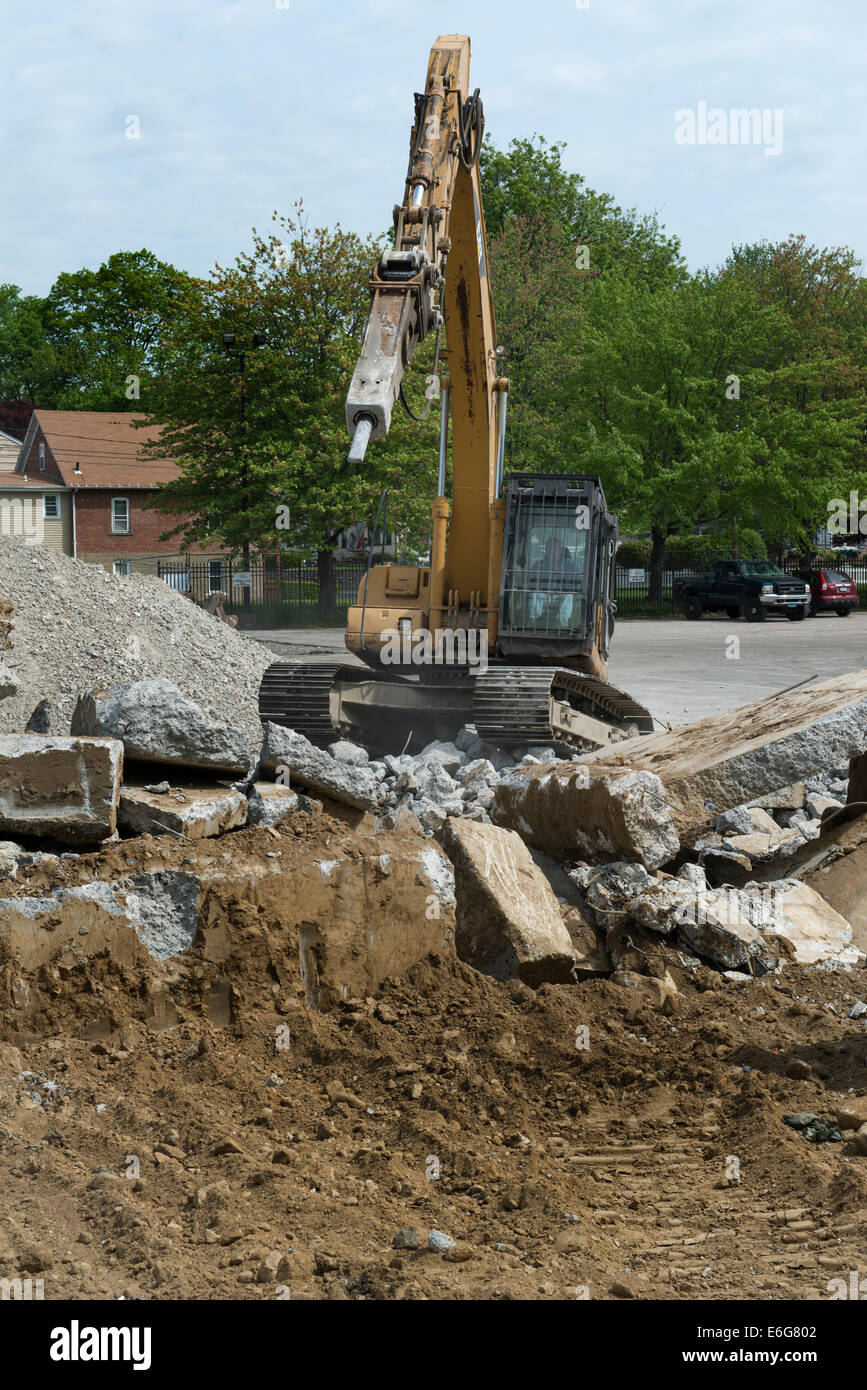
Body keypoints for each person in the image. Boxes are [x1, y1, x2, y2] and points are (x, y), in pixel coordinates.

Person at [527, 536, 576, 624]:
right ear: (546, 550)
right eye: (549, 548)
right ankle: (534, 620)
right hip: (544, 594)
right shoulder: (538, 565)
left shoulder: (569, 565)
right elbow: (531, 583)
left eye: (555, 548)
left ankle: (562, 621)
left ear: (561, 550)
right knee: (535, 593)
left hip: (562, 594)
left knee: (569, 595)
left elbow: (577, 580)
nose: (552, 551)